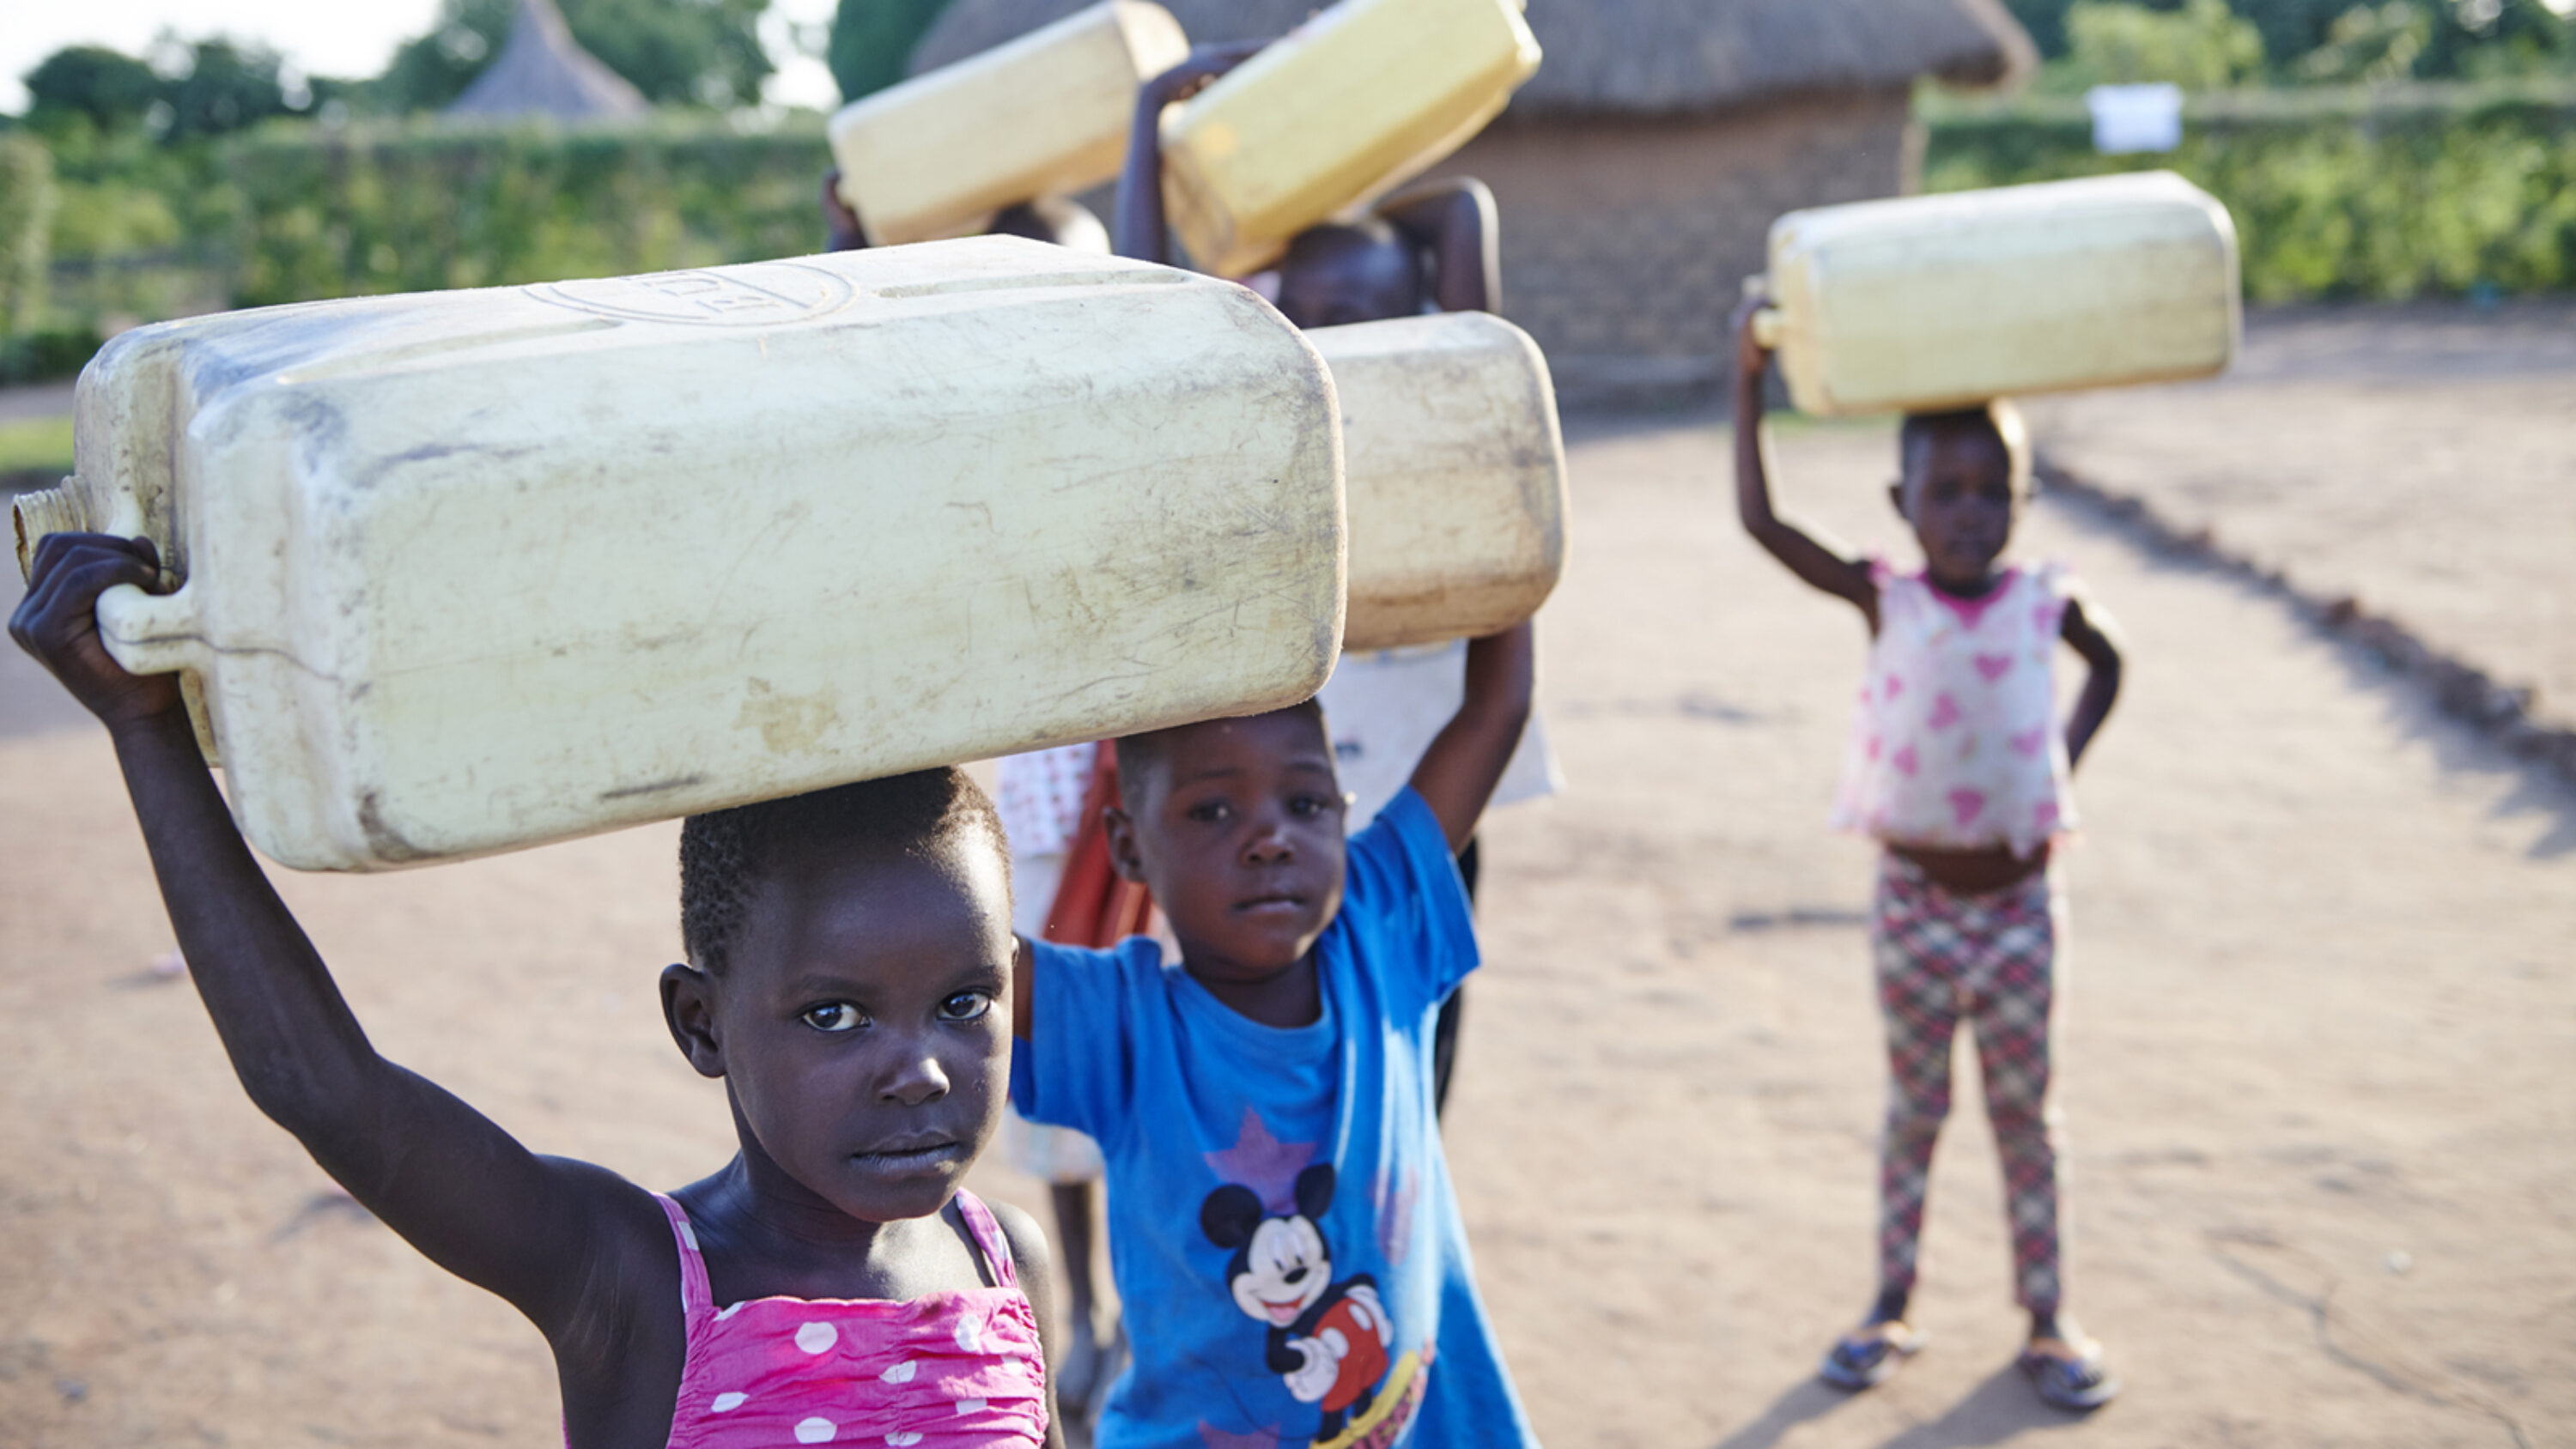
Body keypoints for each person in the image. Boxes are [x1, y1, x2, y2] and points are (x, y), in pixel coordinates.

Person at [11, 533, 1065, 1449]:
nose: (920, 1070)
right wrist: (146, 728)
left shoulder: (1006, 1260)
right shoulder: (631, 1277)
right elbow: (329, 1092)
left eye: (965, 1003)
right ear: (700, 1021)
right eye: (834, 1013)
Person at [1117, 43, 1547, 1119]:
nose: (1324, 344)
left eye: (1356, 318)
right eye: (1300, 316)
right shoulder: (1256, 439)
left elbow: (1461, 217)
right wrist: (1148, 127)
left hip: (1427, 802)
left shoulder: (1449, 422)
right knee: (1257, 1067)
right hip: (1270, 812)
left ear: (1420, 323)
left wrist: (1331, 133)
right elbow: (1138, 318)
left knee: (1410, 1073)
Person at [1728, 294, 2126, 1412]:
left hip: (2017, 915)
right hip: (1911, 908)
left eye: (1992, 489)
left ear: (2023, 499)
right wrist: (1745, 376)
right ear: (1904, 504)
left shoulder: (2047, 603)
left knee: (2023, 1120)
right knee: (1915, 1114)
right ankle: (1889, 1305)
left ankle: (2047, 1319)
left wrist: (2057, 772)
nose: (1970, 512)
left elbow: (2115, 666)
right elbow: (1763, 524)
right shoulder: (1884, 596)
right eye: (1945, 492)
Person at [1009, 621, 1539, 1448]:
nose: (1269, 839)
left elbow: (1494, 710)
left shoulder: (1379, 927)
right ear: (1127, 845)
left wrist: (1507, 545)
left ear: (1343, 811)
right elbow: (944, 950)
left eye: (1305, 803)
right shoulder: (1120, 1021)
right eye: (1212, 810)